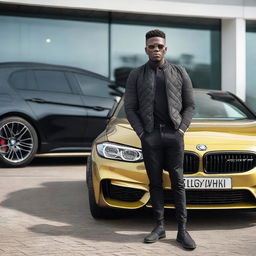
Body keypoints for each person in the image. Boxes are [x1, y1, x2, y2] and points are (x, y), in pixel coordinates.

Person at [124, 29, 196, 250]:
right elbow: (130, 107)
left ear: (166, 48)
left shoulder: (179, 71)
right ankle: (159, 227)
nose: (156, 49)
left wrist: (182, 129)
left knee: (178, 182)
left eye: (160, 46)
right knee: (155, 182)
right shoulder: (136, 74)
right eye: (152, 46)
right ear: (146, 49)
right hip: (151, 135)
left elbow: (190, 105)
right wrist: (142, 133)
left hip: (174, 135)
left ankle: (182, 231)